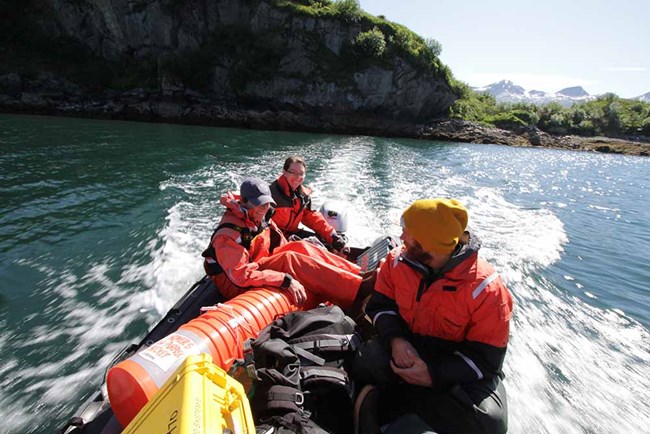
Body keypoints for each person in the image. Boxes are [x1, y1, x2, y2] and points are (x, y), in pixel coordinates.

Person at [351, 198, 513, 434]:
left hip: (454, 362)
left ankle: (393, 405)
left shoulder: (487, 290)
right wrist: (398, 341)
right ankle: (391, 408)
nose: (401, 237)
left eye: (408, 233)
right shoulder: (396, 262)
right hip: (408, 344)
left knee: (491, 423)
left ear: (428, 244)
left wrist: (432, 375)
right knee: (364, 363)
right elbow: (380, 306)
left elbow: (486, 361)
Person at [202, 177, 375, 310]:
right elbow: (241, 276)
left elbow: (279, 240)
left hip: (255, 262)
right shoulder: (228, 235)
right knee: (290, 259)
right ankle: (356, 292)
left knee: (299, 247)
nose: (264, 209)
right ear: (245, 202)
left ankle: (358, 274)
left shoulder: (259, 216)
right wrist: (283, 279)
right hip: (234, 282)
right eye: (259, 205)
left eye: (266, 204)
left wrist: (301, 248)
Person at [269, 156, 348, 254]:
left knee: (324, 244)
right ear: (284, 172)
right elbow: (263, 224)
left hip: (292, 234)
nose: (297, 177)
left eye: (301, 174)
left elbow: (312, 219)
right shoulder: (271, 195)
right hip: (274, 240)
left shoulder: (303, 196)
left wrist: (333, 236)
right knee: (309, 251)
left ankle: (343, 263)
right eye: (293, 172)